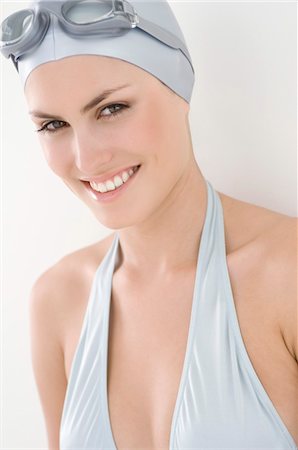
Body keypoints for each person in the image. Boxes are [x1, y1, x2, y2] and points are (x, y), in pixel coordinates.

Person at [1, 0, 297, 449]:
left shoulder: (285, 274)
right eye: (54, 124)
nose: (86, 159)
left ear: (180, 88)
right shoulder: (57, 300)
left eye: (112, 108)